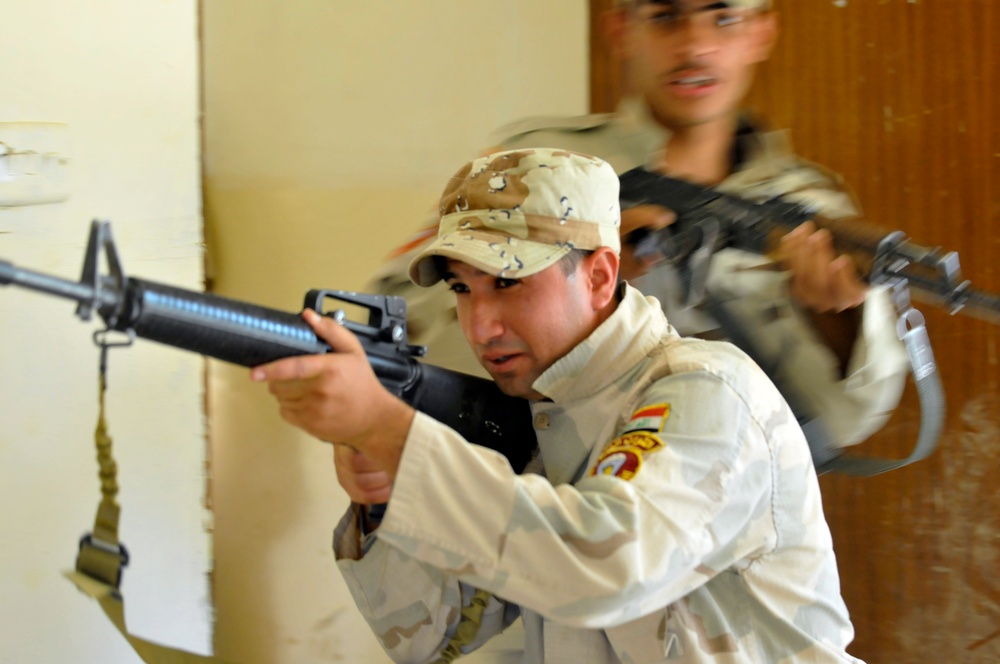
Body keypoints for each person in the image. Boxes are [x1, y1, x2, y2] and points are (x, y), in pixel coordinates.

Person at [252, 148, 864, 662]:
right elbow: (428, 635)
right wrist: (382, 499)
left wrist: (393, 434)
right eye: (462, 289)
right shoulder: (548, 419)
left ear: (599, 276)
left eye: (509, 282)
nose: (480, 325)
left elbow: (606, 565)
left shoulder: (706, 390)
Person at [368, 0, 908, 454]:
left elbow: (842, 427)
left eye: (722, 17)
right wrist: (570, 288)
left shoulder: (811, 210)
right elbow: (397, 344)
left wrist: (839, 324)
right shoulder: (533, 165)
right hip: (546, 514)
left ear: (761, 30)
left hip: (729, 540)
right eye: (667, 16)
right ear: (621, 27)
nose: (695, 46)